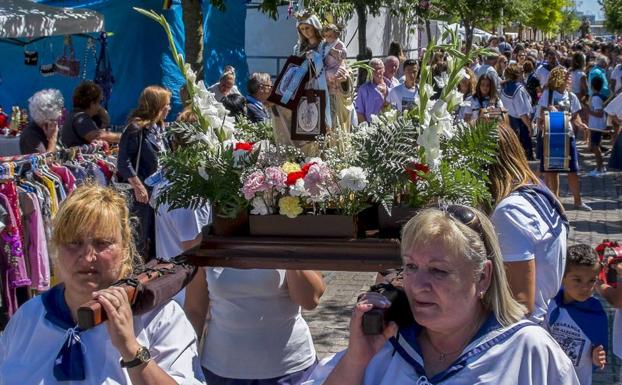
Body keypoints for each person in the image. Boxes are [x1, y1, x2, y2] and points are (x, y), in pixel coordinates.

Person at [304, 206, 579, 385]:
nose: (418, 284)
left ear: (482, 276)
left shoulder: (527, 351)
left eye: (438, 271)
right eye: (411, 266)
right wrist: (356, 361)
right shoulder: (387, 345)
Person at [0, 184, 205, 384]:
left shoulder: (159, 318)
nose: (88, 257)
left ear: (125, 248)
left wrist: (130, 349)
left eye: (102, 243)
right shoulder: (28, 318)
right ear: (56, 248)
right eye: (74, 242)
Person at [184, 266, 325, 384]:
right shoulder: (209, 241)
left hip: (289, 369)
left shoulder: (292, 237)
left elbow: (310, 300)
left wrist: (288, 250)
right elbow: (194, 311)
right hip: (221, 370)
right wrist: (186, 362)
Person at [489, 123, 569, 323]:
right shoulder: (535, 189)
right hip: (547, 316)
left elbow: (521, 303)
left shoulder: (510, 212)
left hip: (524, 330)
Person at [117, 86, 171, 261]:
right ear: (156, 105)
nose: (169, 108)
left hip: (160, 192)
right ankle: (136, 276)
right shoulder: (135, 128)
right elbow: (123, 161)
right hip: (143, 194)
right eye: (166, 105)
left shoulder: (160, 128)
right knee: (140, 237)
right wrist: (138, 186)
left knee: (157, 235)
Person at [544, 244, 608, 385]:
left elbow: (599, 351)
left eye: (591, 280)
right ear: (562, 277)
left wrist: (597, 358)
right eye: (577, 280)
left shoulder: (596, 313)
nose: (585, 288)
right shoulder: (550, 303)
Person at [537, 66, 591, 211]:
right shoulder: (548, 94)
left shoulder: (571, 96)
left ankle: (578, 202)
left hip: (568, 136)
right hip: (551, 137)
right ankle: (555, 202)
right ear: (559, 78)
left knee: (573, 170)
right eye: (567, 77)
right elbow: (540, 116)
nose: (569, 80)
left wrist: (581, 125)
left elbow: (575, 117)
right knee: (553, 170)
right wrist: (548, 109)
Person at [61, 81, 121, 148]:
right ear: (92, 103)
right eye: (100, 102)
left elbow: (105, 122)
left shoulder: (74, 114)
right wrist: (123, 137)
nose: (100, 106)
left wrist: (96, 105)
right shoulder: (81, 118)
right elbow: (97, 136)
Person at [501, 63, 533, 160]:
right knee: (523, 156)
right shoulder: (519, 89)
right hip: (519, 124)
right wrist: (529, 127)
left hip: (508, 121)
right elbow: (522, 113)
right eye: (521, 72)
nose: (523, 73)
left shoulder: (504, 88)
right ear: (517, 74)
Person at [19, 89, 63, 154]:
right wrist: (52, 139)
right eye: (53, 119)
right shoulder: (30, 135)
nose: (57, 122)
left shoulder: (51, 129)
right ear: (45, 118)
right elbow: (45, 162)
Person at [355, 58, 388, 123]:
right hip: (372, 129)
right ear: (369, 71)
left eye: (380, 68)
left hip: (392, 128)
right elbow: (359, 113)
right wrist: (368, 130)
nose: (378, 71)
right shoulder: (363, 89)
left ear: (384, 69)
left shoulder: (393, 85)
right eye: (374, 69)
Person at [587, 76, 607, 176]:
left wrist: (588, 111)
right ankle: (600, 167)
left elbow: (599, 113)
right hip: (596, 125)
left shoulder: (595, 98)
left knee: (595, 147)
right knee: (595, 146)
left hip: (596, 126)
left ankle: (600, 168)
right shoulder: (597, 96)